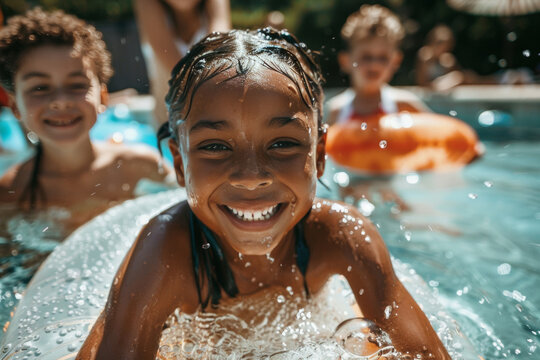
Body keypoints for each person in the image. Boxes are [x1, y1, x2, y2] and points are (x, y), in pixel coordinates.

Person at [77, 28, 451, 359]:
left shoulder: (341, 237)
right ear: (179, 164)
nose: (250, 176)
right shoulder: (165, 251)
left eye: (283, 143)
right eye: (215, 147)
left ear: (319, 156)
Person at [0, 8, 175, 234]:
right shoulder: (10, 193)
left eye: (76, 85)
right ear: (15, 106)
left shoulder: (141, 166)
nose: (60, 101)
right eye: (40, 88)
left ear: (102, 97)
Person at [326, 5, 430, 127]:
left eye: (383, 58)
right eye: (366, 57)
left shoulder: (406, 106)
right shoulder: (336, 112)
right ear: (345, 61)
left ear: (396, 61)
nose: (374, 65)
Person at [135, 0, 231, 130]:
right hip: (166, 126)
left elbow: (216, 58)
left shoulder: (217, 4)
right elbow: (182, 72)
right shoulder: (146, 3)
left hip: (212, 122)